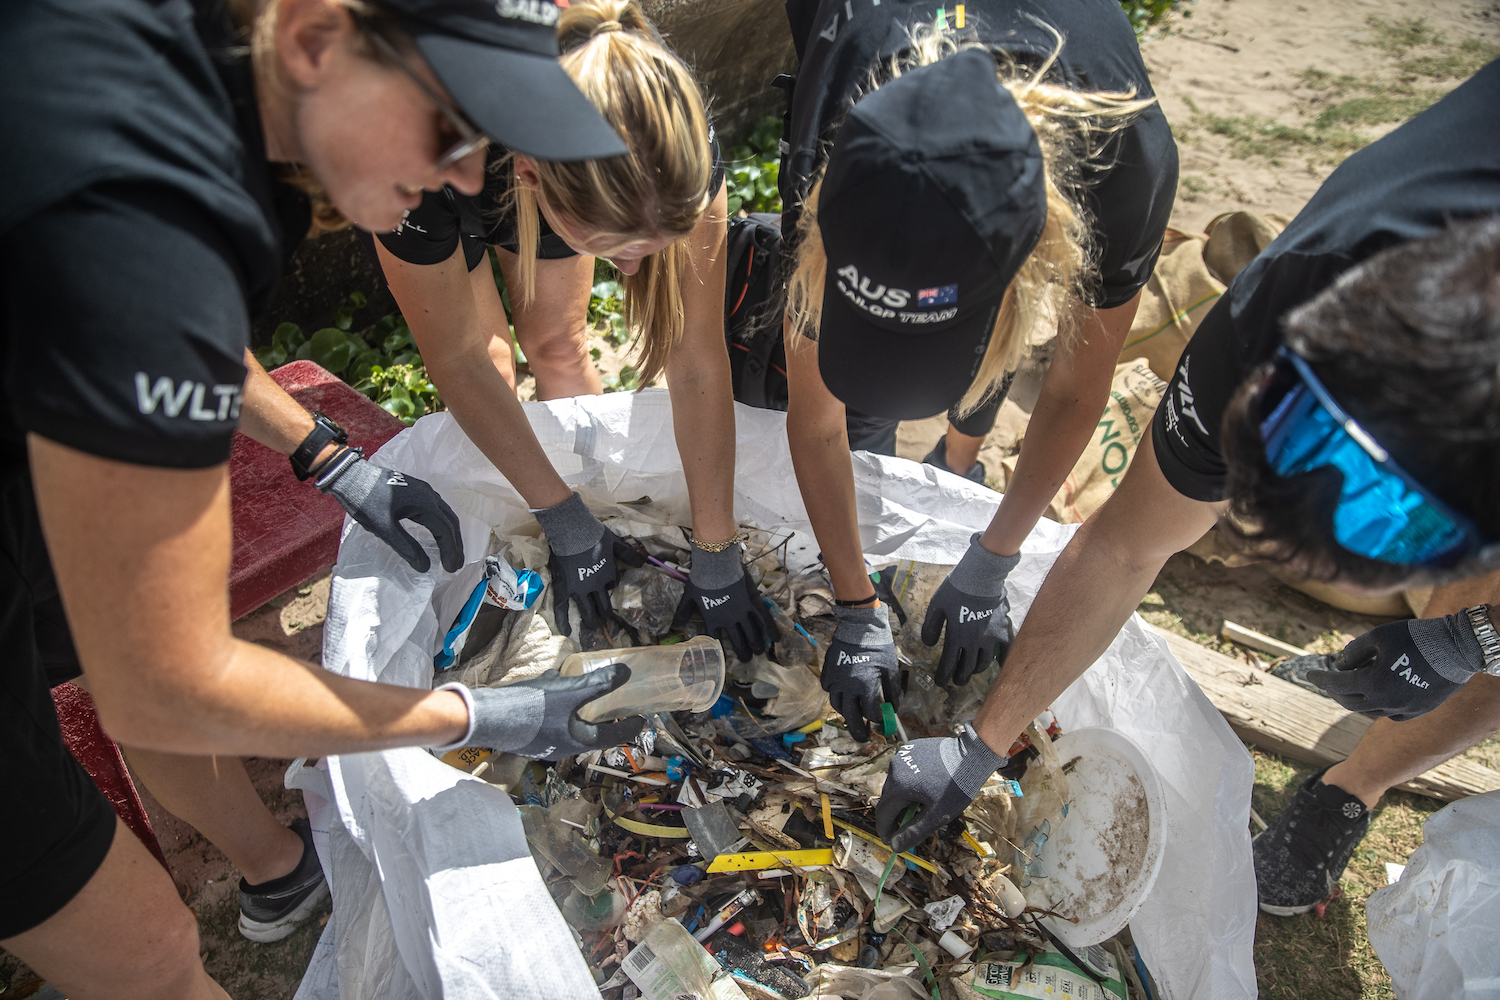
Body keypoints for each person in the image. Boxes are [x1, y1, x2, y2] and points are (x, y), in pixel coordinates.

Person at [0, 0, 649, 994]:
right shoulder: (143, 216)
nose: (469, 179)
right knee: (149, 951)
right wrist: (473, 711)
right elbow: (164, 683)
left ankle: (268, 874)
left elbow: (154, 327)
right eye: (454, 127)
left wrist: (323, 451)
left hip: (38, 440)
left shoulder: (191, 70)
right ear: (311, 37)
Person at [872, 56, 1500, 895]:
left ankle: (1359, 782)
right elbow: (1125, 550)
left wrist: (1473, 638)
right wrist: (980, 745)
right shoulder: (1255, 335)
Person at [776, 0, 1177, 740]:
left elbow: (1073, 388)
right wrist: (856, 605)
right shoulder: (837, 147)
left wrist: (998, 554)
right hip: (863, 38)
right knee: (857, 417)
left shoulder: (1124, 167)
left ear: (1029, 277)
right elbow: (816, 417)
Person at [364, 0, 779, 661]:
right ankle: (555, 515)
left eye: (651, 244)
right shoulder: (406, 138)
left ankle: (590, 506)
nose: (634, 269)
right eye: (615, 249)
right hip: (432, 140)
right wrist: (560, 520)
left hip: (532, 144)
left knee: (557, 343)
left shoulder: (669, 133)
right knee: (492, 366)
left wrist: (717, 545)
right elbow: (459, 362)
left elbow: (697, 362)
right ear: (530, 177)